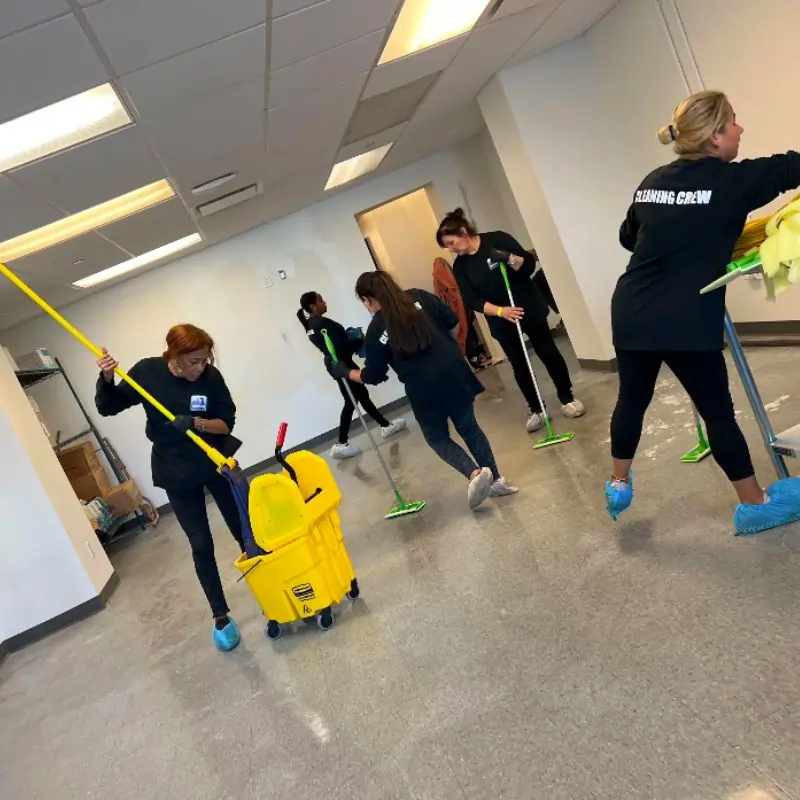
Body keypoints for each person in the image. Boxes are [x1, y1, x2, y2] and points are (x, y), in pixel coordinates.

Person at [606, 89, 800, 534]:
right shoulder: (734, 181)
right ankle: (753, 505)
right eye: (733, 122)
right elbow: (794, 165)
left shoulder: (652, 181)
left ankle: (618, 483)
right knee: (716, 411)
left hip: (632, 309)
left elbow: (626, 236)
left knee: (631, 400)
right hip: (686, 318)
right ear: (715, 137)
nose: (740, 129)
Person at [95, 324, 245, 652]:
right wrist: (107, 378)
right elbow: (109, 406)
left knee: (243, 529)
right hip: (175, 469)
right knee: (201, 543)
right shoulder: (147, 372)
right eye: (193, 361)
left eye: (205, 359)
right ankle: (220, 615)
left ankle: (269, 581)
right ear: (173, 356)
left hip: (214, 459)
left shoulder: (211, 377)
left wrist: (195, 422)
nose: (201, 367)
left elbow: (226, 422)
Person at [329, 270, 518, 510]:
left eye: (364, 301)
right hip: (454, 371)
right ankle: (497, 481)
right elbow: (454, 324)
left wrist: (345, 372)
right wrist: (443, 349)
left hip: (423, 386)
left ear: (369, 298)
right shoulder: (420, 297)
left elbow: (374, 375)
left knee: (437, 437)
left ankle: (474, 473)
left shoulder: (377, 329)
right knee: (469, 427)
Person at [436, 210, 585, 433]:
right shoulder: (461, 267)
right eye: (447, 246)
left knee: (548, 352)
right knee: (519, 364)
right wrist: (501, 311)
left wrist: (509, 258)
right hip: (501, 319)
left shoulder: (498, 239)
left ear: (463, 231)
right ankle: (537, 409)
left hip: (528, 308)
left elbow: (528, 267)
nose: (451, 248)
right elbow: (472, 300)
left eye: (451, 242)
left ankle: (567, 398)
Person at [297, 291, 405, 459]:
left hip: (337, 363)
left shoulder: (310, 326)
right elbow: (341, 348)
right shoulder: (321, 324)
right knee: (351, 401)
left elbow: (336, 344)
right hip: (341, 364)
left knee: (361, 396)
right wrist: (359, 340)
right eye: (320, 300)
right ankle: (341, 443)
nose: (324, 302)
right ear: (312, 306)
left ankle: (385, 425)